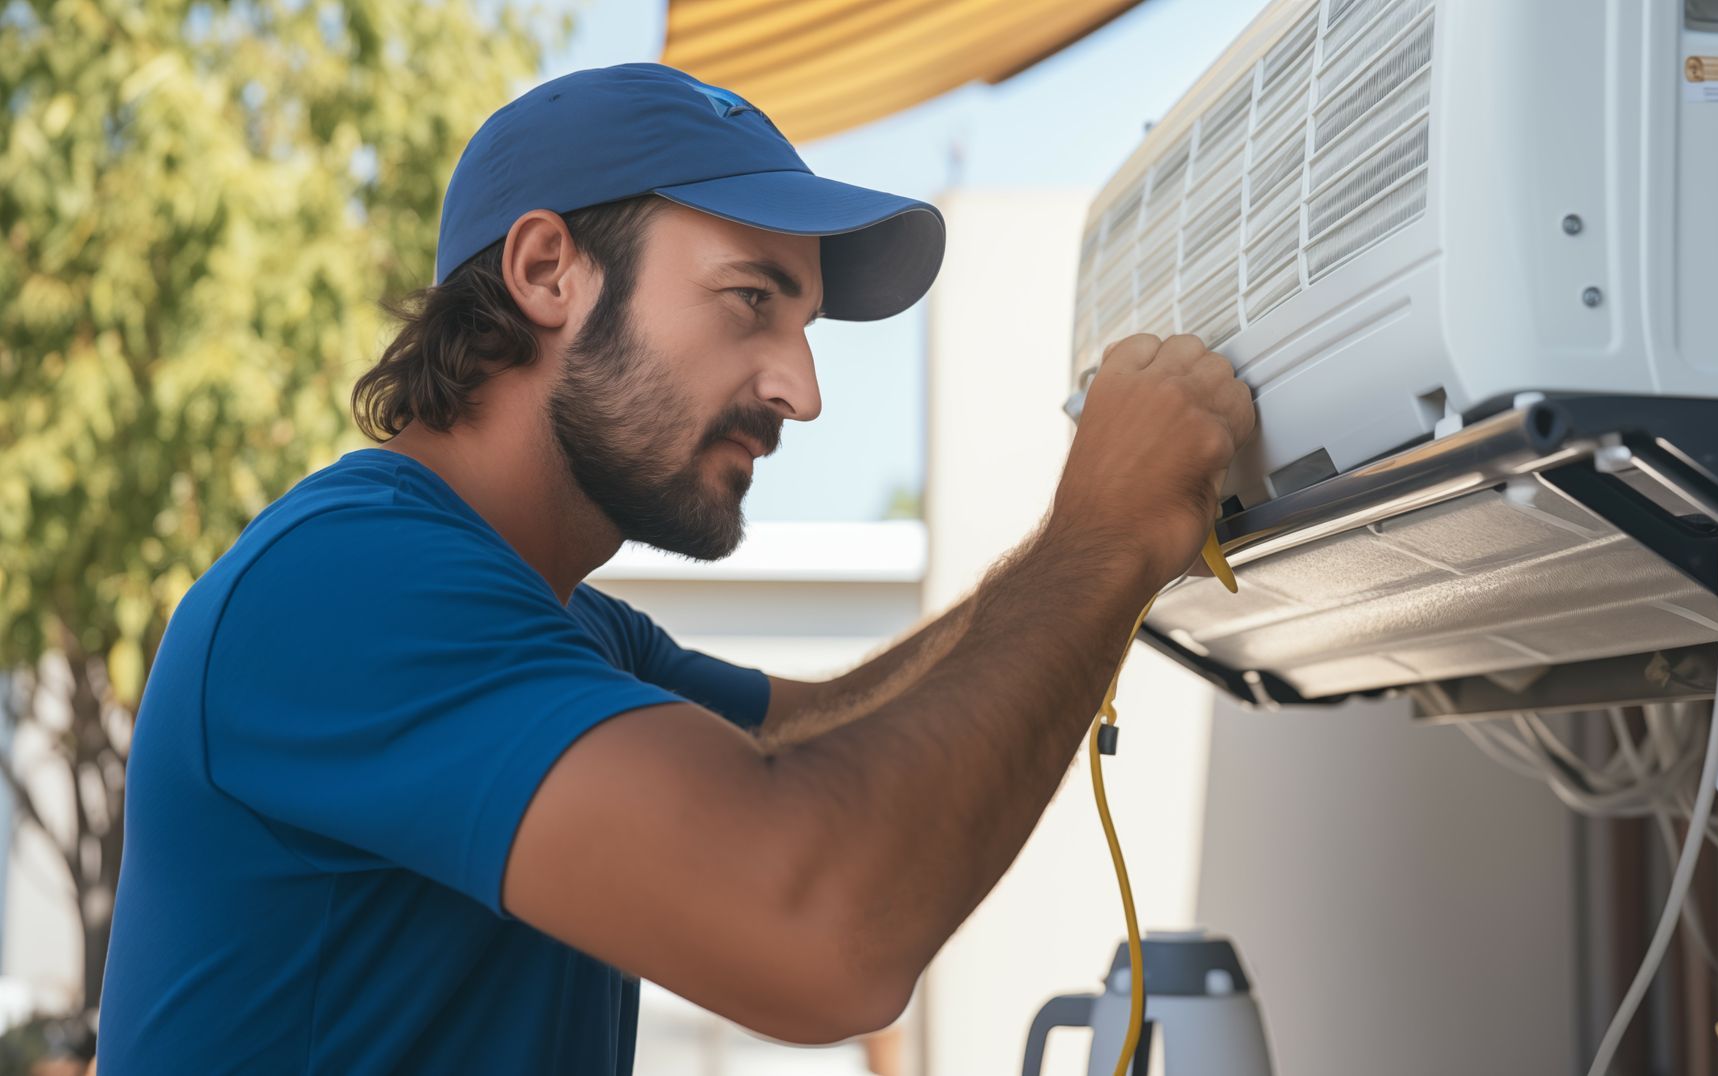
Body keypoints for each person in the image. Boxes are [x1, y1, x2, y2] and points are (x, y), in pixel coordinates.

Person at [95, 63, 1253, 1073]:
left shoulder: (571, 630)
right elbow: (826, 931)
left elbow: (824, 729)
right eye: (751, 300)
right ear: (548, 270)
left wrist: (1107, 533)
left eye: (802, 326)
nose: (803, 389)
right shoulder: (345, 586)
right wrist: (1100, 532)